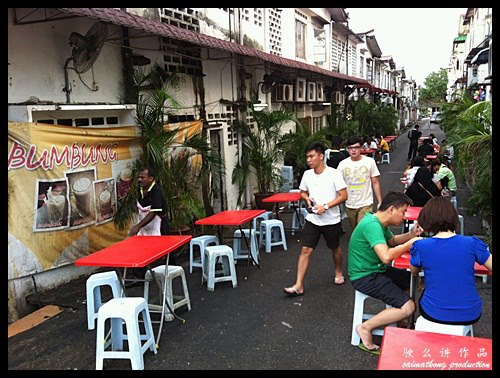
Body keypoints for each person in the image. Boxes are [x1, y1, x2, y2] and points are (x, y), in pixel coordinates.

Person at [348, 191, 423, 352]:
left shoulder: (378, 223)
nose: (404, 217)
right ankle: (366, 327)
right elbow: (386, 257)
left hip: (376, 270)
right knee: (409, 307)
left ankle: (399, 318)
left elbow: (392, 241)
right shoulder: (372, 225)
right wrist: (410, 243)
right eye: (403, 212)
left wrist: (411, 234)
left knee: (411, 279)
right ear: (391, 210)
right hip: (365, 276)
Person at [409, 196, 492, 325]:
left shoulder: (421, 246)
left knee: (426, 293)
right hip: (471, 312)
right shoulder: (472, 243)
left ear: (426, 219)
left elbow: (414, 271)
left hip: (433, 312)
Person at [284, 141, 348, 296]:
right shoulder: (307, 174)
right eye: (307, 157)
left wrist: (325, 206)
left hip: (331, 220)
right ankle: (299, 285)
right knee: (305, 249)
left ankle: (338, 271)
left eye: (311, 156)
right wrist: (307, 199)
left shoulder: (334, 174)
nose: (308, 160)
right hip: (313, 219)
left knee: (335, 248)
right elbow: (302, 192)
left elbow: (344, 196)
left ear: (321, 156)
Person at [128, 166, 170, 281]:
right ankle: (139, 278)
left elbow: (154, 212)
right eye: (139, 177)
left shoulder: (156, 190)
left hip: (159, 225)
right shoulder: (140, 190)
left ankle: (170, 274)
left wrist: (138, 226)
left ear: (150, 178)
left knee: (167, 251)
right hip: (145, 227)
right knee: (139, 250)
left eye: (143, 177)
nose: (140, 180)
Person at [337, 135, 383, 230]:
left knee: (362, 229)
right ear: (347, 149)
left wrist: (380, 201)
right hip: (350, 203)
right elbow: (337, 184)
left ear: (361, 148)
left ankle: (365, 244)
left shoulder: (369, 162)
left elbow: (375, 182)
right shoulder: (342, 164)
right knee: (355, 229)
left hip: (366, 203)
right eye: (350, 148)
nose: (353, 150)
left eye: (356, 148)